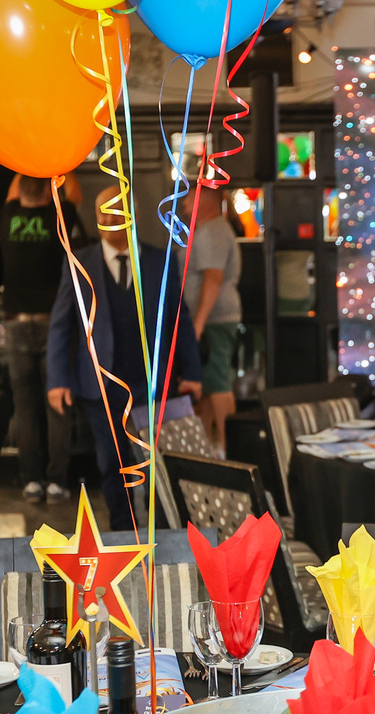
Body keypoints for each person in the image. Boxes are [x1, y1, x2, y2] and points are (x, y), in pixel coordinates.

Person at [48, 188, 203, 532]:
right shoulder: (78, 262)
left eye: (116, 209)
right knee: (111, 463)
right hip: (99, 384)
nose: (109, 217)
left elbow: (180, 319)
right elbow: (61, 324)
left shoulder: (160, 260)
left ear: (133, 214)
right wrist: (57, 380)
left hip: (151, 382)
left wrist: (192, 371)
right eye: (102, 211)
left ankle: (162, 535)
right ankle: (123, 533)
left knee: (156, 462)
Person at [0, 175, 84, 503]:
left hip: (16, 324)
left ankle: (31, 481)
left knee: (24, 405)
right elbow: (75, 193)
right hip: (53, 327)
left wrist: (26, 162)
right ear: (49, 193)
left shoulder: (8, 216)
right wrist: (58, 162)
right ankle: (57, 481)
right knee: (57, 403)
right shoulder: (56, 217)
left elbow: (14, 189)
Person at [182, 184, 244, 454]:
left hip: (213, 320)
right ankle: (206, 449)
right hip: (209, 320)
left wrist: (197, 324)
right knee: (206, 386)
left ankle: (233, 451)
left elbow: (213, 278)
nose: (183, 206)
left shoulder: (212, 231)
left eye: (187, 200)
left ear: (202, 202)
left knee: (217, 383)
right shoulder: (208, 230)